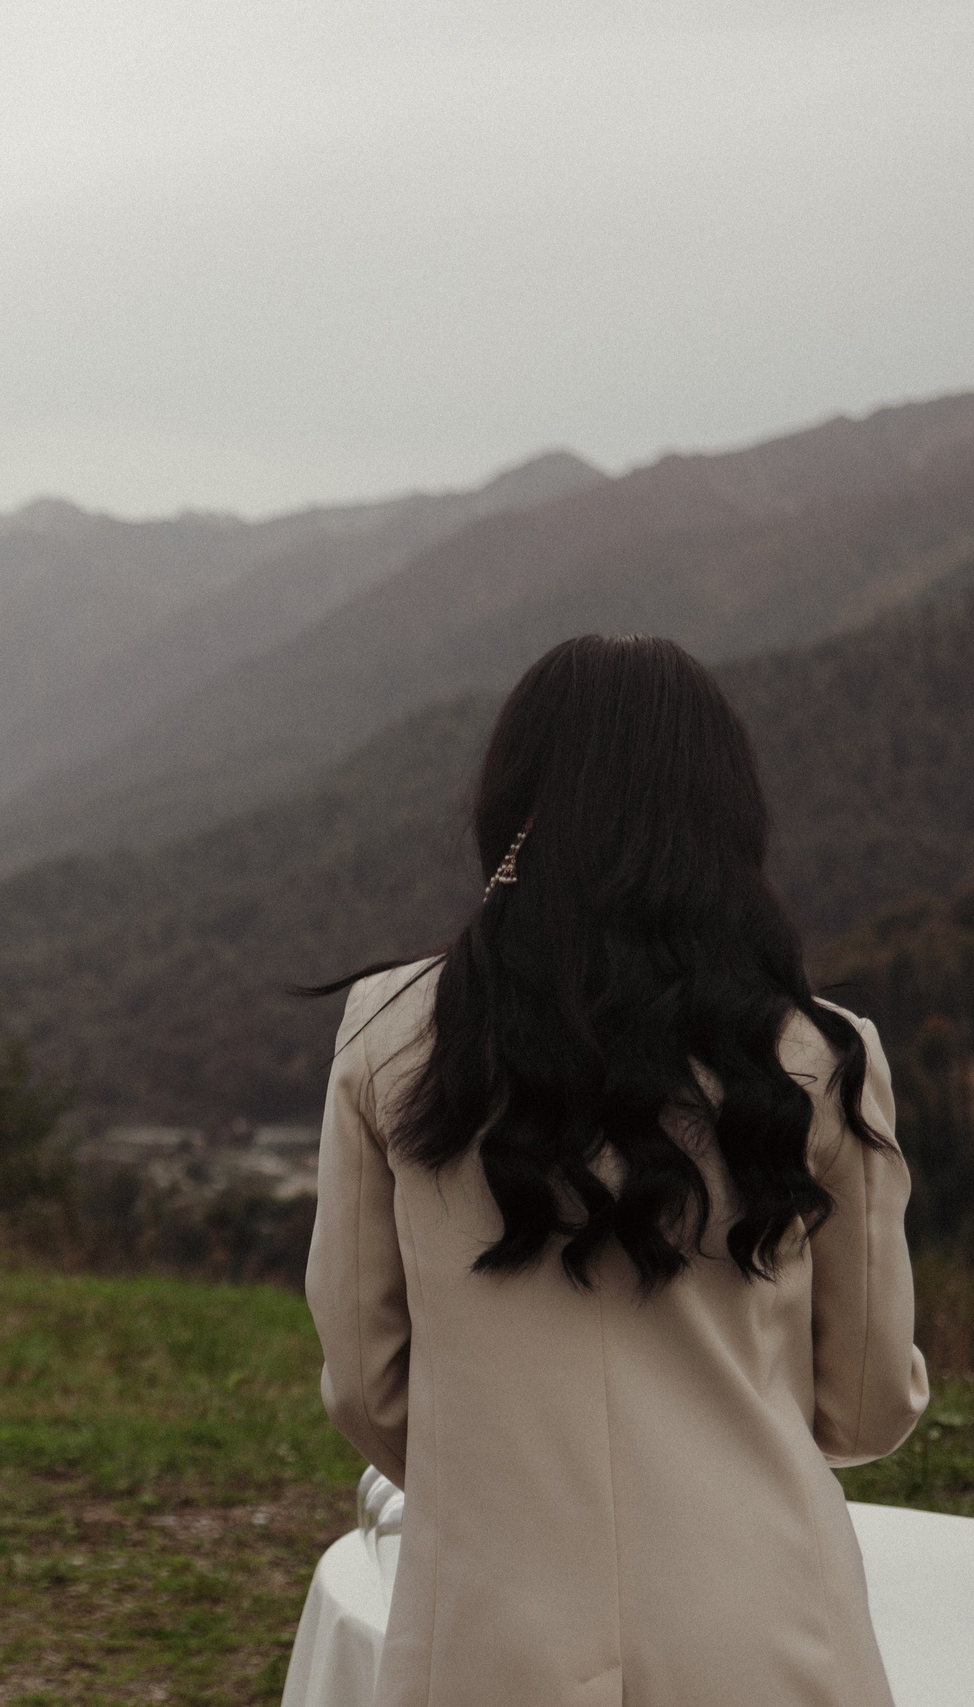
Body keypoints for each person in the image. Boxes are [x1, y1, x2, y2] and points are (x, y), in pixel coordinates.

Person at [304, 634, 927, 1707]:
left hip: (488, 1633)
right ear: (727, 817)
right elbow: (866, 1408)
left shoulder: (390, 1033)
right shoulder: (826, 1056)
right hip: (770, 1631)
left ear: (509, 802)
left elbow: (367, 1384)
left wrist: (490, 1467)